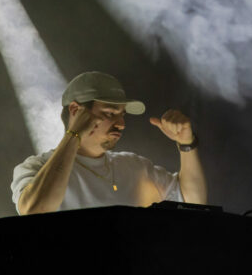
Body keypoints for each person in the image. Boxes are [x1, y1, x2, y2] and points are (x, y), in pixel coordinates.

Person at [11, 71, 207, 214]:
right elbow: (36, 211)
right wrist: (74, 134)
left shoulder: (133, 166)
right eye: (110, 113)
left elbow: (193, 203)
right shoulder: (36, 168)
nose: (121, 124)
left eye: (122, 115)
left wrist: (186, 144)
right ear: (75, 111)